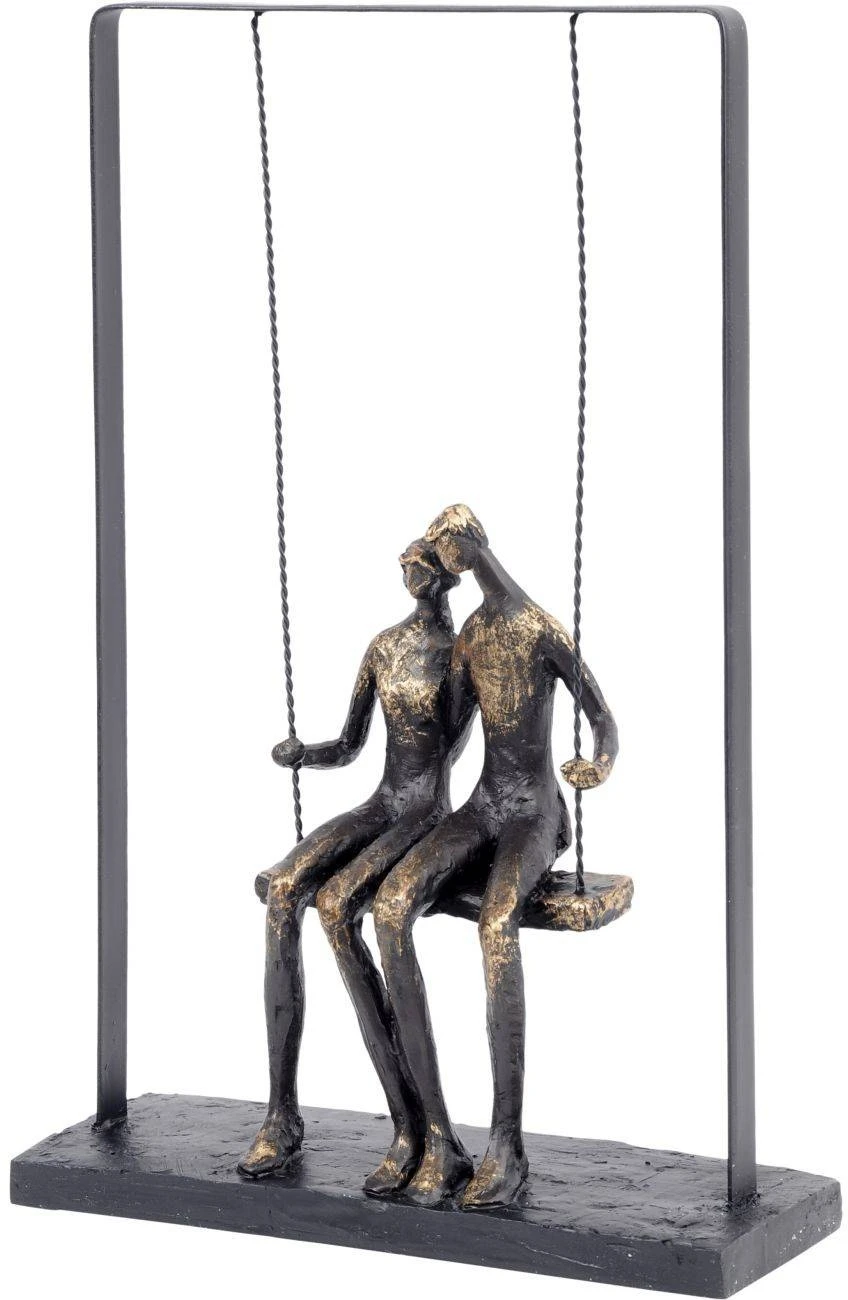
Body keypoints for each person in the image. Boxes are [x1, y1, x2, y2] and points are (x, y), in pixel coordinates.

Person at [372, 505, 618, 1208]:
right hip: (484, 805)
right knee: (390, 906)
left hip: (533, 811)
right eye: (438, 549)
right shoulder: (471, 636)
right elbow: (445, 729)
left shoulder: (538, 627)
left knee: (497, 922)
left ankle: (506, 1145)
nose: (446, 557)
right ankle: (431, 1135)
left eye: (450, 544)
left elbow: (602, 717)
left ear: (472, 542)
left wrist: (598, 765)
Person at [238, 537, 470, 1193]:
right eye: (407, 564)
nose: (408, 570)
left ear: (442, 576)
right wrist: (305, 754)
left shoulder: (463, 654)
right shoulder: (384, 646)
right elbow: (349, 743)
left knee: (338, 905)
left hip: (423, 811)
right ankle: (281, 1115)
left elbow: (455, 747)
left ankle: (413, 1126)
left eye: (419, 563)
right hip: (382, 802)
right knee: (284, 890)